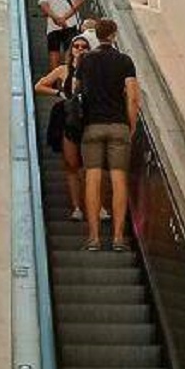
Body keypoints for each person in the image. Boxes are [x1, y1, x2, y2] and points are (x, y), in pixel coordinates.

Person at [80, 18, 139, 252]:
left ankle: (94, 237)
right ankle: (117, 238)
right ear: (114, 35)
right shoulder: (124, 61)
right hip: (118, 126)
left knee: (92, 180)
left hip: (92, 126)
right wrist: (130, 126)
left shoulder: (86, 60)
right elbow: (133, 98)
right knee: (118, 179)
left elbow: (76, 91)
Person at [35, 33, 90, 219]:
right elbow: (39, 86)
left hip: (89, 121)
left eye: (84, 47)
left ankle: (97, 206)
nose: (80, 49)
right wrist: (58, 92)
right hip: (69, 119)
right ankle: (77, 207)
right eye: (77, 46)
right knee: (71, 165)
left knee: (91, 166)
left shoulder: (93, 69)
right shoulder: (63, 70)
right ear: (71, 50)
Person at [38, 0, 84, 70]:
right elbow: (79, 1)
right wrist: (65, 17)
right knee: (70, 52)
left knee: (54, 53)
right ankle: (68, 79)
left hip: (53, 27)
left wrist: (56, 18)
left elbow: (43, 5)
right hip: (71, 25)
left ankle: (56, 81)